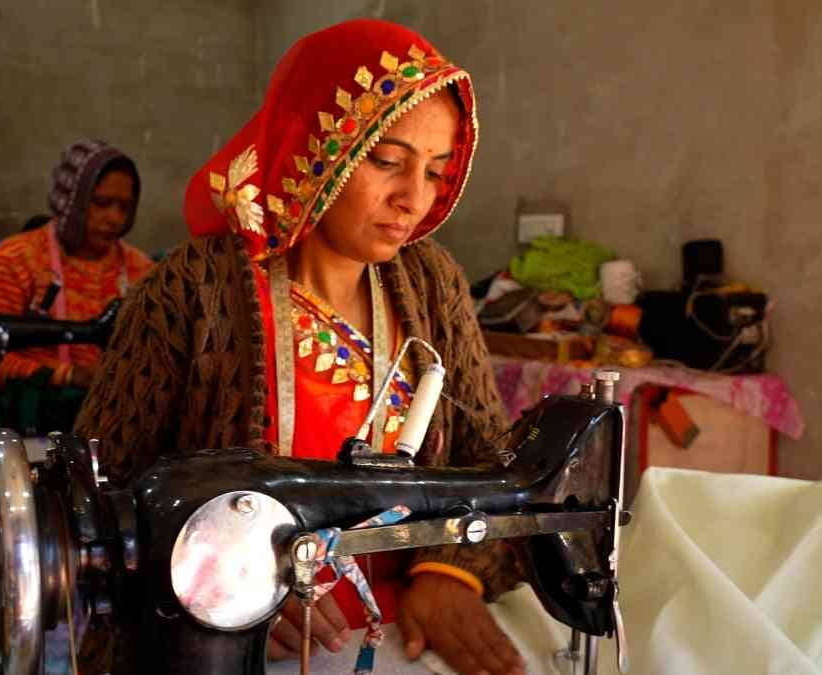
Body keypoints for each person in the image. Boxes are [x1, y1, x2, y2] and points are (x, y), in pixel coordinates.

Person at [76, 19, 525, 675]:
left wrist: (452, 571)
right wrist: (223, 577)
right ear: (320, 141)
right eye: (388, 161)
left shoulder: (433, 286)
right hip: (231, 642)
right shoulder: (190, 290)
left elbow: (492, 462)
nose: (414, 199)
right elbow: (101, 500)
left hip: (402, 635)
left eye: (435, 170)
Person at [0, 141, 153, 390]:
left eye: (125, 207)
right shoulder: (11, 261)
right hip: (29, 419)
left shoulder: (143, 272)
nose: (115, 218)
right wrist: (69, 376)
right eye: (101, 203)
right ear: (70, 201)